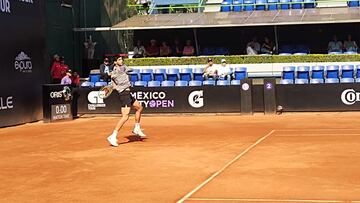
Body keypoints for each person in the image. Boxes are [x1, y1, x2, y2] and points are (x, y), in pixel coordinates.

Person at [107, 56, 146, 147]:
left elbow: (114, 84)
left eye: (122, 59)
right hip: (124, 94)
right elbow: (130, 69)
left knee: (139, 108)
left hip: (127, 92)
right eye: (119, 59)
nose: (122, 61)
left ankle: (136, 127)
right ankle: (113, 136)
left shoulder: (115, 71)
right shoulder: (120, 69)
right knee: (125, 116)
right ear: (115, 62)